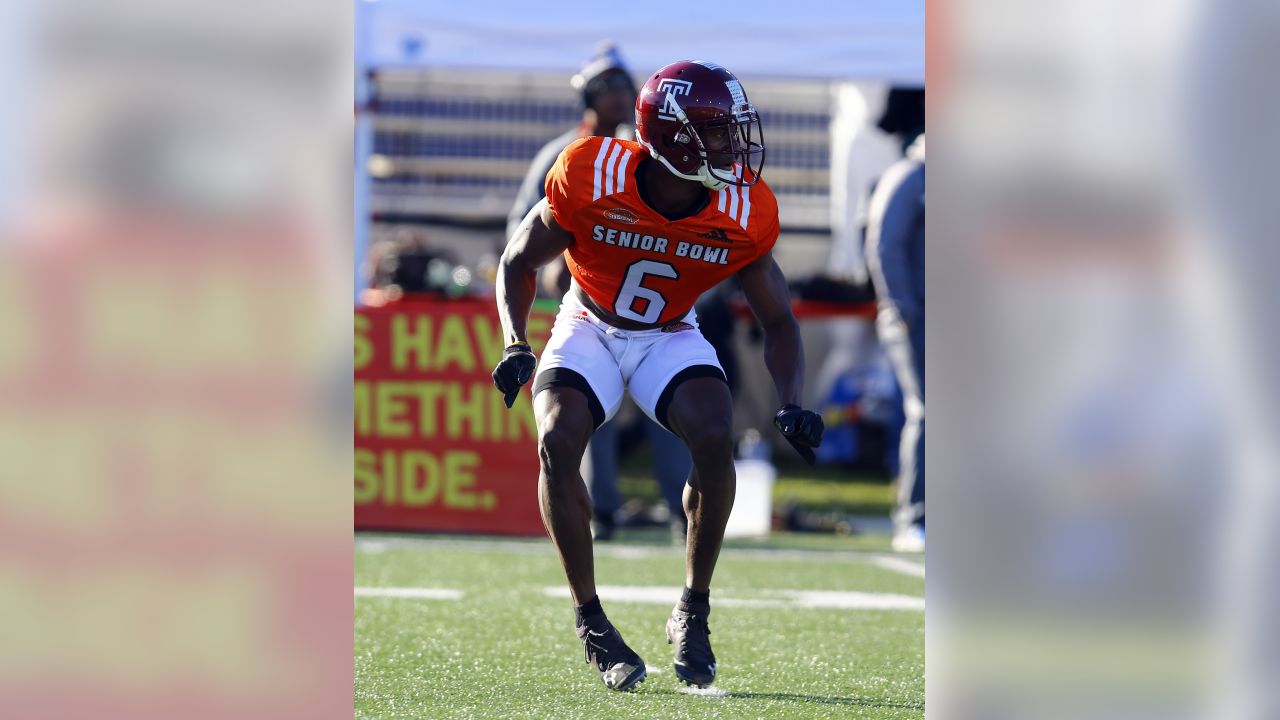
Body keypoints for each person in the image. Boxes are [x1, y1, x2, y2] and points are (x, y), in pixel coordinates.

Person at [491, 60, 824, 691]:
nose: (732, 142)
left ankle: (692, 609)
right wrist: (516, 340)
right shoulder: (592, 172)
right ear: (670, 135)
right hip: (588, 322)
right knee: (558, 440)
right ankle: (591, 621)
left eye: (732, 127)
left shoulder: (741, 206)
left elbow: (778, 321)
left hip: (669, 331)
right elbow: (516, 260)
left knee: (713, 432)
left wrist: (792, 399)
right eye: (715, 129)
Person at [506, 43, 693, 544]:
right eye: (604, 88)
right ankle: (602, 507)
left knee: (672, 409)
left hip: (657, 311)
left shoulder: (654, 152)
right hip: (588, 307)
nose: (614, 97)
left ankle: (682, 509)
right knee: (589, 409)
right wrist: (551, 274)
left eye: (620, 87)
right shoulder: (564, 155)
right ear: (587, 95)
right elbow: (523, 229)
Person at [865, 134, 925, 553]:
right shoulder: (910, 176)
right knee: (927, 411)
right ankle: (913, 518)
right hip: (914, 319)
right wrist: (903, 306)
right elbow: (883, 244)